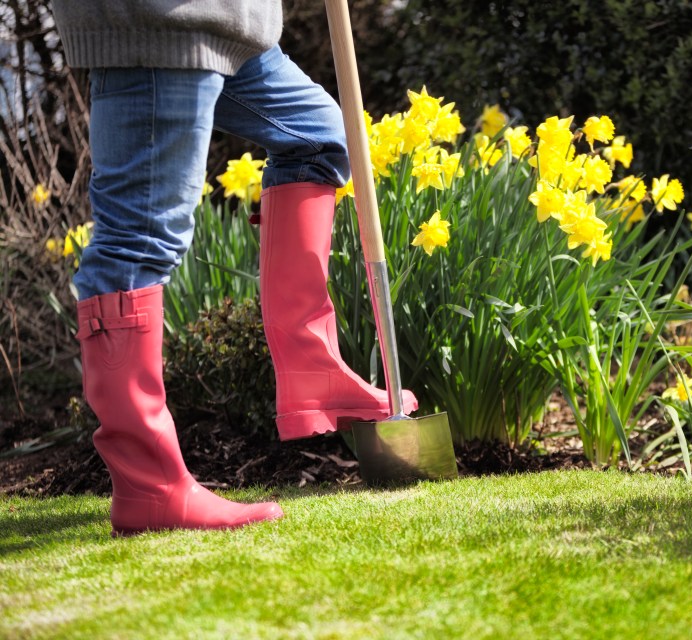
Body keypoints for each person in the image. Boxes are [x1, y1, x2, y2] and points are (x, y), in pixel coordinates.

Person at [50, 1, 418, 536]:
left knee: (317, 138)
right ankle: (148, 487)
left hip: (229, 22)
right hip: (165, 22)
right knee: (138, 240)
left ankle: (313, 374)